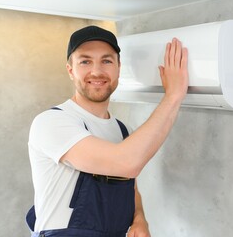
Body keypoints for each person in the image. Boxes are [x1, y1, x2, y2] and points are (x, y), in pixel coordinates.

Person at [26, 25, 189, 237]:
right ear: (70, 70)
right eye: (85, 61)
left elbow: (130, 186)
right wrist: (173, 95)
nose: (96, 71)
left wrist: (139, 218)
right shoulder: (52, 122)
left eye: (106, 61)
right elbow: (126, 163)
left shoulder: (123, 131)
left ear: (118, 68)